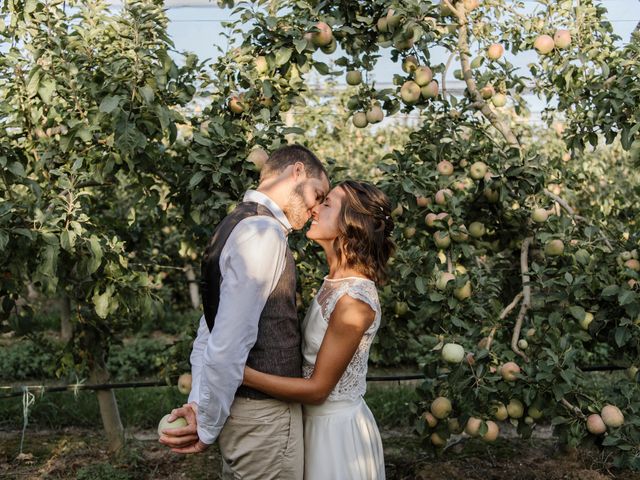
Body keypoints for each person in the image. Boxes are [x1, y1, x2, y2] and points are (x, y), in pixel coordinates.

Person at [159, 144, 330, 480]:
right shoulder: (262, 233)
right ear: (297, 172)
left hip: (247, 418)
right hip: (263, 421)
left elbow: (209, 328)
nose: (317, 208)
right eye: (318, 194)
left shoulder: (236, 223)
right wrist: (205, 424)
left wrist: (199, 403)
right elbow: (227, 344)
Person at [242, 180, 395, 480]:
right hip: (311, 425)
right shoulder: (334, 283)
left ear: (350, 223)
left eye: (327, 204)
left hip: (334, 435)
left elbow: (317, 390)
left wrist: (239, 372)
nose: (315, 208)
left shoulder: (353, 302)